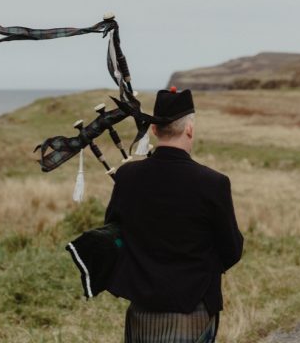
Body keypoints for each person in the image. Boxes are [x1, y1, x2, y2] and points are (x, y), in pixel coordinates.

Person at [104, 86, 244, 343]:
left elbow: (113, 233)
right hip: (193, 306)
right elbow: (232, 250)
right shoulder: (213, 182)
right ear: (189, 128)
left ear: (154, 130)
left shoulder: (127, 176)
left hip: (142, 307)